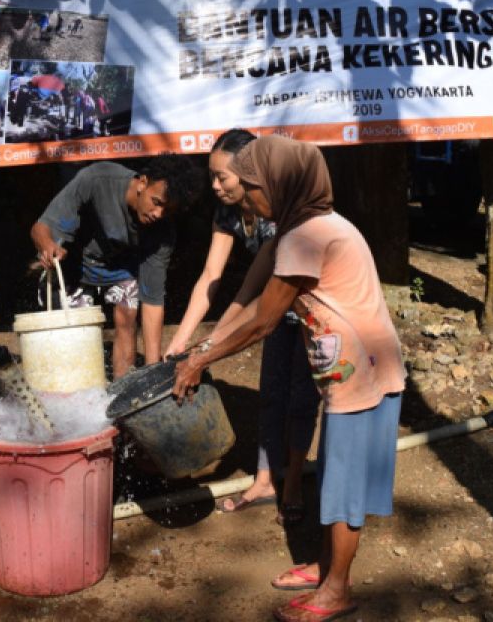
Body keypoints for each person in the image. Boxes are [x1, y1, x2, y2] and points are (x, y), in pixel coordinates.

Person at [171, 135, 406, 622]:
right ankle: (325, 565)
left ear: (277, 185)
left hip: (361, 380)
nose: (250, 200)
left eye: (253, 187)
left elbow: (265, 319)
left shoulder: (306, 235)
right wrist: (203, 348)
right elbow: (252, 299)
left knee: (344, 495)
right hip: (355, 373)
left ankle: (336, 590)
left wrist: (200, 360)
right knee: (337, 482)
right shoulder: (308, 226)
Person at [165, 129, 319, 526]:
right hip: (269, 306)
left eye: (223, 178)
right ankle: (266, 480)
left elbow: (262, 299)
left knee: (301, 398)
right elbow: (213, 277)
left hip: (307, 309)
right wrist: (182, 340)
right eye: (212, 177)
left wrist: (212, 344)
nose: (215, 186)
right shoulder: (228, 210)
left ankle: (295, 484)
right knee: (271, 394)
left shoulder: (277, 209)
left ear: (250, 173)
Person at [31, 156, 202, 378]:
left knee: (128, 316)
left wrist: (152, 371)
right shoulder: (97, 179)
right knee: (78, 334)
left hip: (121, 267)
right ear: (142, 183)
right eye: (157, 202)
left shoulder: (163, 231)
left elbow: (152, 301)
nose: (158, 214)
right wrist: (47, 246)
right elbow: (41, 227)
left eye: (167, 210)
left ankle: (120, 391)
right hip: (74, 264)